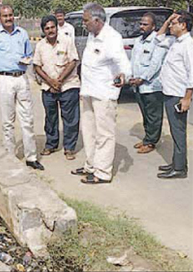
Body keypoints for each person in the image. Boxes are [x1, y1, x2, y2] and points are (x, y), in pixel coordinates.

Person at [71, 3, 131, 184]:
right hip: (89, 91)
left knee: (104, 133)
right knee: (88, 131)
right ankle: (91, 165)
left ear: (97, 20)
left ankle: (103, 172)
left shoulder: (112, 37)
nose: (84, 24)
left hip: (104, 94)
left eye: (86, 20)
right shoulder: (92, 35)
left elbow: (123, 62)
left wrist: (124, 76)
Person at [0, 5, 44, 170]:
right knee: (7, 121)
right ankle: (10, 157)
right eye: (5, 16)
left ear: (13, 16)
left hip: (21, 79)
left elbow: (28, 54)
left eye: (10, 15)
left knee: (28, 120)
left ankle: (31, 157)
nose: (8, 18)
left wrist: (26, 59)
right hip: (4, 80)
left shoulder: (22, 33)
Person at [33, 15, 80, 161]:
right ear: (43, 30)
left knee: (70, 119)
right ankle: (51, 144)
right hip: (48, 88)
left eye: (52, 27)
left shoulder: (67, 41)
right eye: (47, 28)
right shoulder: (40, 45)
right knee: (50, 118)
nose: (50, 30)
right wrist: (50, 82)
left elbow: (73, 61)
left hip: (68, 86)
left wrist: (59, 81)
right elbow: (36, 66)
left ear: (56, 27)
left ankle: (69, 148)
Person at [155, 11, 193, 179]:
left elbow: (192, 73)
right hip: (170, 92)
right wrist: (169, 19)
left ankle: (179, 168)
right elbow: (158, 37)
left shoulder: (188, 45)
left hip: (178, 95)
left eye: (174, 23)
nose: (170, 26)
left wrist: (187, 98)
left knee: (178, 132)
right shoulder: (175, 41)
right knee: (174, 130)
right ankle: (177, 162)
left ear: (183, 25)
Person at [129, 12, 168, 154]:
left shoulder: (158, 41)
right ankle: (147, 138)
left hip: (152, 86)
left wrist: (143, 78)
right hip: (139, 86)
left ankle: (151, 142)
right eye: (141, 23)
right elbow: (134, 62)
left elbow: (155, 64)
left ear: (153, 26)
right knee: (145, 114)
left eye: (145, 24)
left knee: (154, 116)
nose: (141, 26)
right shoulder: (138, 41)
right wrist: (132, 77)